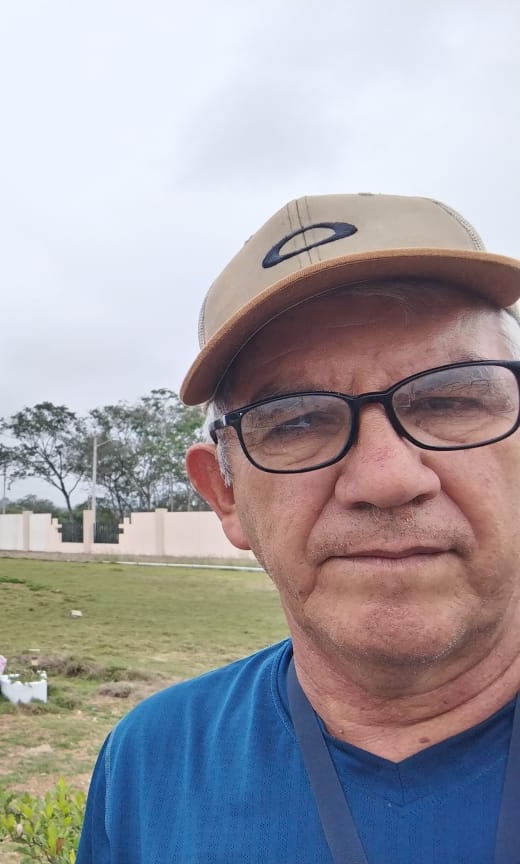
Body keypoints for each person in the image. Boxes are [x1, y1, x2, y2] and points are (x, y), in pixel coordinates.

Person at [78, 193, 520, 863]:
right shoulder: (149, 764)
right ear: (225, 494)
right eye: (297, 421)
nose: (385, 478)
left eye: (449, 399)